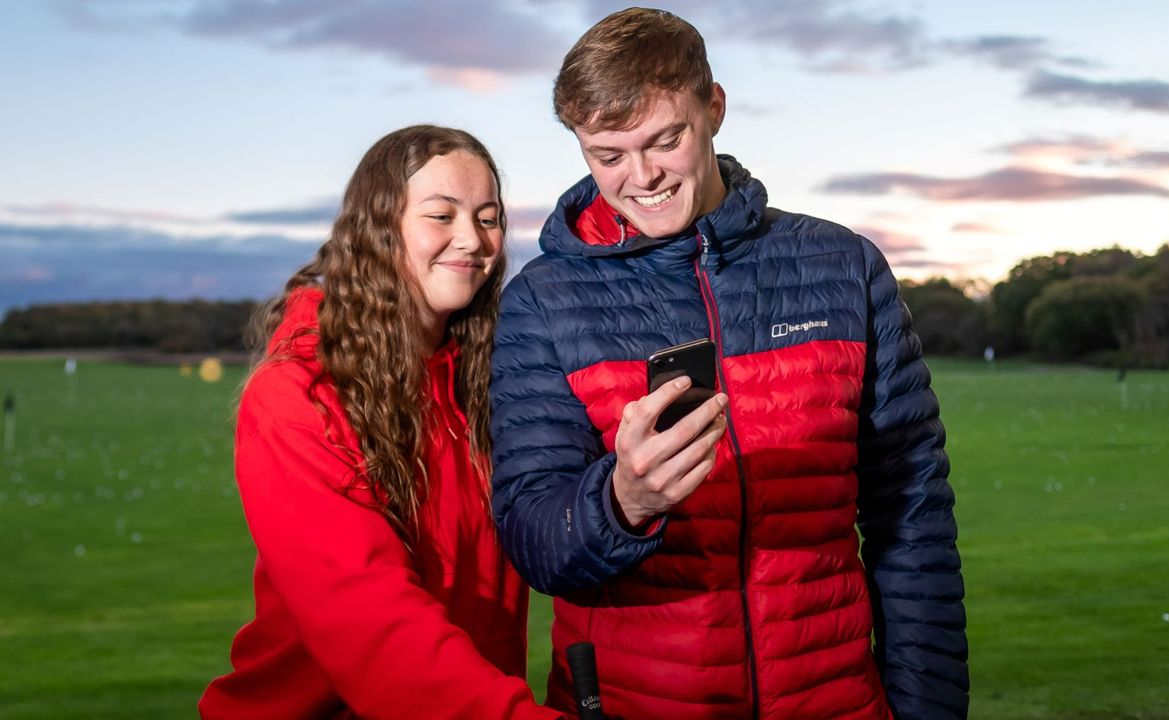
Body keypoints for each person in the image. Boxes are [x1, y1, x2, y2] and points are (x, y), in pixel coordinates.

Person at [489, 8, 967, 720]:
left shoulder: (843, 267)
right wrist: (621, 502)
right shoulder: (543, 302)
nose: (641, 176)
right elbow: (533, 541)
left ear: (713, 107)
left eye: (665, 139)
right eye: (607, 154)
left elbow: (912, 515)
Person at [200, 126, 561, 719]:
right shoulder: (299, 394)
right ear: (377, 228)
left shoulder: (490, 379)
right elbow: (371, 621)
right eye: (441, 215)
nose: (471, 239)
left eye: (489, 217)